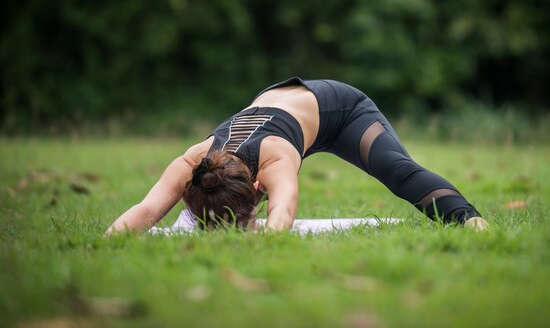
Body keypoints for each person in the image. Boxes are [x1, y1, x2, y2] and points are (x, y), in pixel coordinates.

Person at [106, 78, 488, 234]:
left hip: (342, 111)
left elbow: (283, 214)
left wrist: (262, 239)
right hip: (282, 99)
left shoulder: (275, 158)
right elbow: (146, 210)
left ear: (258, 187)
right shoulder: (194, 163)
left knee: (398, 171)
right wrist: (107, 241)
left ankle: (473, 223)